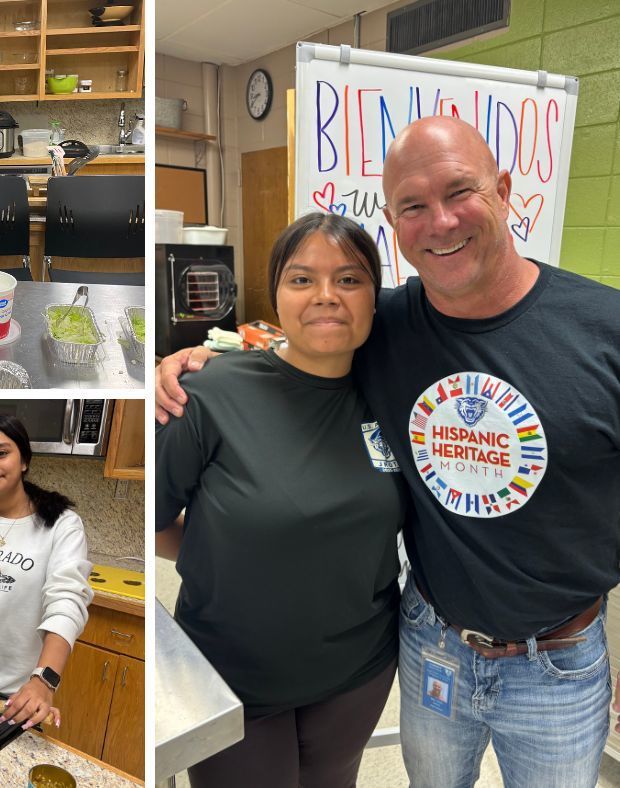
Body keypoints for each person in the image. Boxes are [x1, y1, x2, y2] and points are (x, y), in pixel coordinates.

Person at [157, 115, 620, 787]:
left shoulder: (603, 329)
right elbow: (298, 348)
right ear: (395, 223)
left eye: (459, 192)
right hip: (431, 641)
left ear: (505, 191)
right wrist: (194, 359)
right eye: (412, 205)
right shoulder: (391, 326)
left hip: (556, 659)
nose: (439, 222)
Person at [157, 212, 407, 787]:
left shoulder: (392, 396)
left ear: (376, 297)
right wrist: (224, 552)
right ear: (275, 294)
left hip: (359, 671)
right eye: (301, 279)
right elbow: (157, 519)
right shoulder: (211, 394)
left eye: (349, 279)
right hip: (232, 674)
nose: (326, 296)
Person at [0, 413, 93, 730]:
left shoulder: (61, 525)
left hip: (18, 697)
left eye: (1, 452)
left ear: (23, 460)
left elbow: (66, 604)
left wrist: (43, 680)